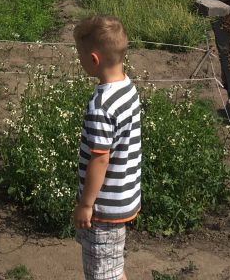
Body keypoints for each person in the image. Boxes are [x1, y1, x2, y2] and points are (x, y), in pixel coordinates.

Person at [73, 15, 142, 280]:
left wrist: (86, 204)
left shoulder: (101, 106)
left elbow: (100, 159)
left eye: (80, 57)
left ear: (94, 59)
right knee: (112, 264)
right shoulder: (127, 88)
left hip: (103, 206)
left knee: (102, 272)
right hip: (124, 196)